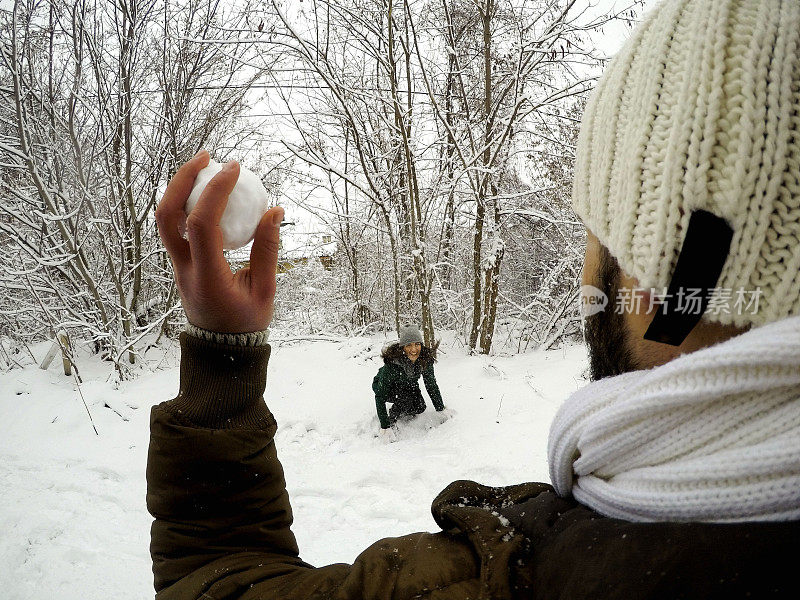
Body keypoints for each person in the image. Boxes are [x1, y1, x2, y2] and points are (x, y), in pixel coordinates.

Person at [147, 1, 800, 598]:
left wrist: (223, 358)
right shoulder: (395, 362)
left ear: (665, 282)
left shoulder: (491, 582)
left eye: (594, 230)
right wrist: (394, 421)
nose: (584, 266)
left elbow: (210, 576)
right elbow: (391, 391)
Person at [372, 325, 445, 437]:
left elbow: (431, 385)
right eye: (409, 345)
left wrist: (440, 409)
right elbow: (380, 396)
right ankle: (392, 418)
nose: (414, 349)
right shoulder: (393, 363)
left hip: (408, 384)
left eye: (417, 344)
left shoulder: (425, 359)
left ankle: (401, 410)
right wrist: (384, 426)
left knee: (420, 406)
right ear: (403, 347)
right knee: (405, 398)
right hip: (385, 386)